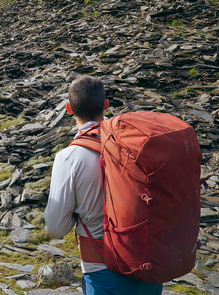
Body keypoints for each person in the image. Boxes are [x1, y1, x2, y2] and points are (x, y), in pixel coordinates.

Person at [44, 76, 163, 295]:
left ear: (69, 109)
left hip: (101, 268)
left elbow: (56, 228)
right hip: (149, 263)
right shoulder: (135, 146)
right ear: (106, 105)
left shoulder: (69, 158)